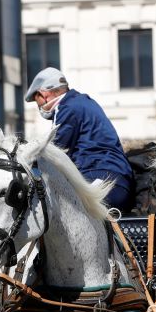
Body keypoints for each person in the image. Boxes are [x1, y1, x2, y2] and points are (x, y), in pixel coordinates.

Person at [25, 67, 135, 212]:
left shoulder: (65, 108)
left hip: (99, 178)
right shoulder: (85, 102)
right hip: (122, 182)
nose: (38, 106)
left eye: (36, 100)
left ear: (44, 94)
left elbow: (54, 152)